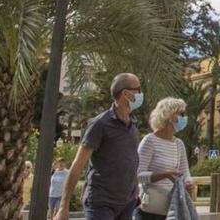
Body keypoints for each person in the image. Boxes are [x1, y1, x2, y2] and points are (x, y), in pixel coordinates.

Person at [55, 73, 144, 220]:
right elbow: (77, 165)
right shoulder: (100, 124)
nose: (141, 94)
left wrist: (135, 192)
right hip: (101, 204)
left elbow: (131, 159)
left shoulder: (133, 124)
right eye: (138, 89)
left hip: (127, 203)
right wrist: (64, 207)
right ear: (126, 94)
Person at [137, 97, 194, 220]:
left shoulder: (179, 144)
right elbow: (137, 175)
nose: (184, 118)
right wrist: (165, 175)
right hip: (151, 209)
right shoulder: (149, 141)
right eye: (181, 114)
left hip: (172, 207)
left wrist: (188, 182)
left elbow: (185, 172)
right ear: (169, 116)